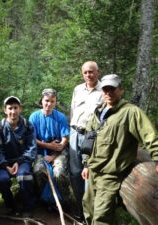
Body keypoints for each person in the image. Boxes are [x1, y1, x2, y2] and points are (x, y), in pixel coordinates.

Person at [81, 74, 158, 225]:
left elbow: (149, 135)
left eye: (112, 89)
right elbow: (88, 140)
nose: (108, 93)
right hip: (93, 171)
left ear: (121, 90)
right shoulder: (98, 112)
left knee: (101, 217)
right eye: (105, 89)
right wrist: (86, 164)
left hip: (110, 175)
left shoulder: (131, 112)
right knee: (88, 209)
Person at [69, 61, 103, 222]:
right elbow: (73, 110)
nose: (88, 75)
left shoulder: (104, 91)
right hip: (75, 133)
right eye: (85, 72)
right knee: (75, 173)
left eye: (91, 71)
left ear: (98, 72)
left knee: (88, 173)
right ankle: (79, 208)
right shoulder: (78, 89)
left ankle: (91, 210)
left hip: (92, 135)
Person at [0, 96, 37, 217]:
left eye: (15, 108)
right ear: (5, 110)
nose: (13, 111)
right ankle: (11, 205)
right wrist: (5, 165)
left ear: (20, 109)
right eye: (10, 108)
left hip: (23, 161)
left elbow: (32, 148)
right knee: (2, 180)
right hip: (4, 163)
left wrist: (20, 161)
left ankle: (27, 207)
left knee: (24, 176)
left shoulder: (28, 125)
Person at [29, 88, 70, 206]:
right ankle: (45, 199)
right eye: (46, 100)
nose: (49, 104)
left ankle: (64, 200)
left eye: (52, 101)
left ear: (56, 102)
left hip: (58, 152)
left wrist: (55, 153)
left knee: (59, 173)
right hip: (40, 151)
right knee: (38, 171)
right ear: (41, 101)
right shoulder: (34, 117)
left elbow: (65, 138)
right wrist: (47, 145)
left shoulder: (60, 117)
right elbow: (32, 139)